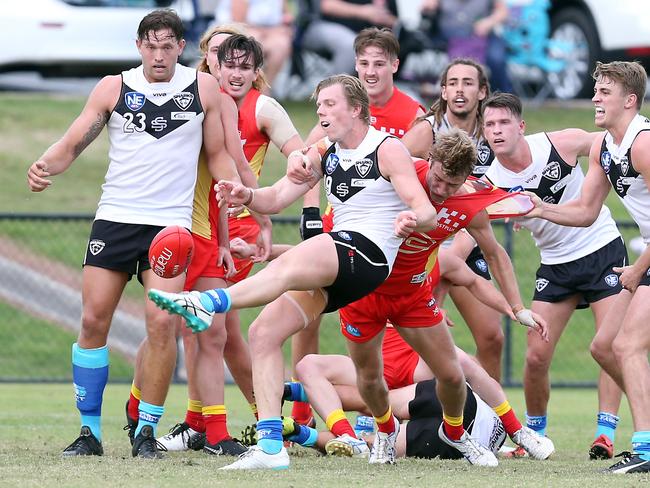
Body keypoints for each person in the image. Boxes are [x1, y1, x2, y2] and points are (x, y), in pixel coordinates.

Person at [148, 74, 439, 469]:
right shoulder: (325, 153)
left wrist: (410, 219)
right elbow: (277, 198)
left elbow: (426, 211)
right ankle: (270, 446)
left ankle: (206, 302)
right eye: (318, 105)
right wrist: (246, 195)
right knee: (264, 332)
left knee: (289, 263)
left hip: (368, 256)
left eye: (329, 104)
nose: (320, 111)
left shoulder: (387, 150)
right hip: (339, 261)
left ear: (355, 109)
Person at [26, 9, 240, 459]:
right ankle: (89, 432)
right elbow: (71, 144)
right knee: (92, 321)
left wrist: (230, 185)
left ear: (181, 47)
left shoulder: (203, 89)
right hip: (116, 220)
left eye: (168, 46)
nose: (159, 54)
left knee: (162, 323)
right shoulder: (113, 87)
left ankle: (145, 432)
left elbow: (219, 153)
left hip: (171, 227)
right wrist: (45, 166)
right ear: (139, 46)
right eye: (151, 45)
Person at [291, 128, 546, 467]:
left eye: (451, 184)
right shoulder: (399, 174)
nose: (441, 190)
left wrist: (516, 307)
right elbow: (351, 148)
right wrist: (305, 156)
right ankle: (379, 434)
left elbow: (495, 254)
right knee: (369, 378)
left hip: (411, 297)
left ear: (465, 178)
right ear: (430, 161)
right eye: (438, 179)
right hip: (365, 290)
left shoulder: (468, 202)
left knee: (454, 374)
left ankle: (460, 433)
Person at [154, 30, 306, 453]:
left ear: (257, 69)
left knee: (213, 330)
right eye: (223, 56)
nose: (233, 68)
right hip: (194, 222)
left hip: (231, 226)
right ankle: (236, 422)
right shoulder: (196, 98)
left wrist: (267, 214)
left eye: (244, 62)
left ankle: (241, 423)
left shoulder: (264, 108)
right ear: (210, 60)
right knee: (207, 330)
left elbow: (291, 157)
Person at [291, 247, 554, 461]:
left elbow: (474, 282)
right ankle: (346, 436)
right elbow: (308, 256)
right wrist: (269, 253)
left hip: (412, 362)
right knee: (308, 367)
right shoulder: (359, 256)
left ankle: (517, 431)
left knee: (460, 360)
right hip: (371, 362)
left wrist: (515, 309)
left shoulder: (435, 254)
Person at [293, 26, 425, 426]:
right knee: (304, 310)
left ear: (395, 66)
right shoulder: (335, 110)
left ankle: (392, 405)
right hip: (337, 233)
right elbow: (305, 163)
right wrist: (311, 215)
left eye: (379, 64)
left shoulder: (414, 117)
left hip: (388, 237)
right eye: (364, 63)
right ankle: (302, 412)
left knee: (398, 317)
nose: (371, 71)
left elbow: (422, 181)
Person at [481, 91, 626, 458]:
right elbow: (475, 224)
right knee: (535, 358)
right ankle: (534, 436)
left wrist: (599, 186)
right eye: (489, 126)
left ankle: (604, 434)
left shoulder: (558, 144)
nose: (496, 131)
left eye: (503, 123)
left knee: (608, 347)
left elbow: (613, 147)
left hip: (601, 249)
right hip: (556, 265)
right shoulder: (489, 182)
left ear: (521, 126)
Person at [525, 61, 650, 474]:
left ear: (630, 101)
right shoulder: (605, 148)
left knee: (628, 346)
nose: (595, 97)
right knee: (604, 346)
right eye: (595, 90)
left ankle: (646, 451)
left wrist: (636, 270)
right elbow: (584, 210)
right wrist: (538, 206)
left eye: (605, 92)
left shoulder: (642, 143)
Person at [401, 58, 505, 381]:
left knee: (492, 337)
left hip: (463, 243)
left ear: (482, 91)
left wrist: (452, 255)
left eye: (468, 83)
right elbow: (392, 183)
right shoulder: (425, 131)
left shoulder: (493, 135)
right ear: (443, 91)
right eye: (453, 83)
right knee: (412, 341)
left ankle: (486, 418)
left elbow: (487, 200)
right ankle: (388, 417)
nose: (460, 90)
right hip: (417, 245)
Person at [421, 0, 513, 93]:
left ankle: (501, 96)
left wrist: (489, 22)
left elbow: (503, 12)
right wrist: (428, 8)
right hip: (446, 38)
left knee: (496, 58)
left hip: (482, 36)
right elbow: (426, 9)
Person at [299, 0, 398, 76]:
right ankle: (336, 91)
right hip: (326, 25)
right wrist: (364, 12)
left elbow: (395, 19)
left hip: (373, 31)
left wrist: (386, 18)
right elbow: (325, 5)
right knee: (350, 44)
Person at [214, 0, 294, 90]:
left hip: (268, 31)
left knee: (281, 45)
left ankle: (264, 89)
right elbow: (239, 21)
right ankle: (242, 87)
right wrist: (270, 31)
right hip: (235, 29)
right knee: (253, 41)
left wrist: (285, 27)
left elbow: (287, 15)